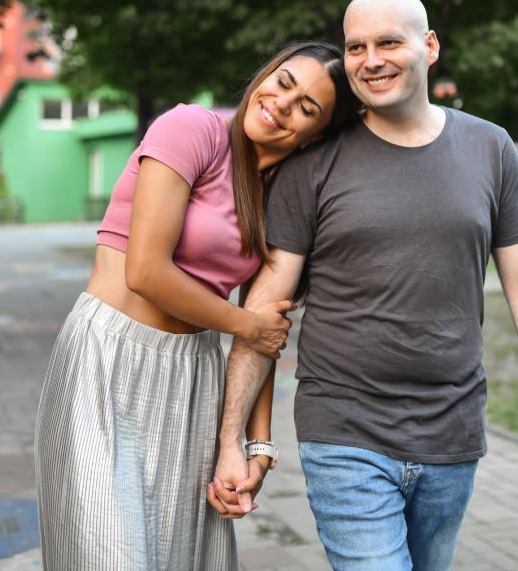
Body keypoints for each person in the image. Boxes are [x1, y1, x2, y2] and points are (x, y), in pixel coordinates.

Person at [208, 0, 518, 570]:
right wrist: (233, 440)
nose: (370, 59)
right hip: (343, 431)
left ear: (429, 46)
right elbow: (267, 305)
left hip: (452, 434)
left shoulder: (490, 147)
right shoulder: (314, 163)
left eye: (388, 42)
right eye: (356, 46)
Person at [34, 41, 357, 570]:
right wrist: (245, 325)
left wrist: (255, 446)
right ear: (266, 74)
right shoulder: (193, 129)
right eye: (283, 82)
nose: (281, 104)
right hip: (107, 361)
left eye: (307, 108)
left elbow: (266, 329)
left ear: (315, 136)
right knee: (106, 554)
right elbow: (145, 271)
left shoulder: (281, 194)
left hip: (194, 381)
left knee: (181, 556)